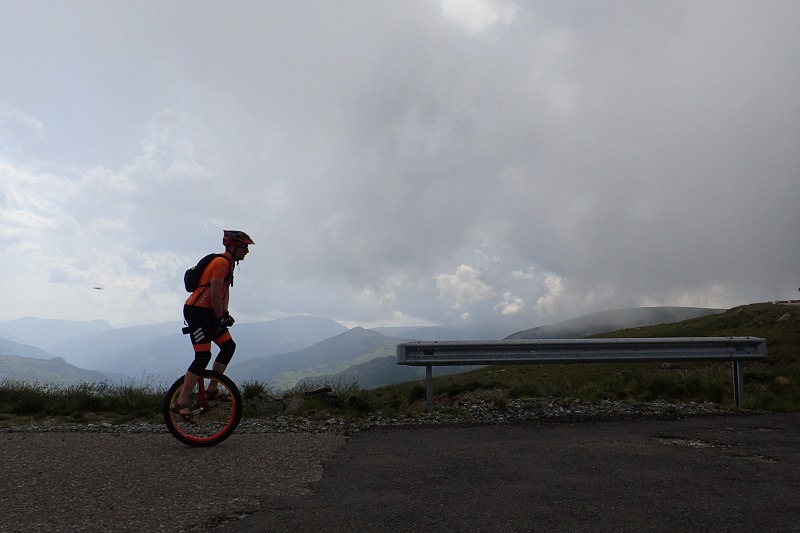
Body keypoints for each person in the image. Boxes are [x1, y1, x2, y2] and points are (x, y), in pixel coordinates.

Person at [171, 230, 255, 421]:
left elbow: (224, 294)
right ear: (233, 247)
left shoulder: (229, 264)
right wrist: (219, 318)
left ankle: (212, 389)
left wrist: (225, 315)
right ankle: (181, 402)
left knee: (228, 347)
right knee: (202, 357)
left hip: (208, 313)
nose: (247, 252)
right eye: (245, 247)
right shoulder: (221, 263)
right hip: (197, 312)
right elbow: (215, 294)